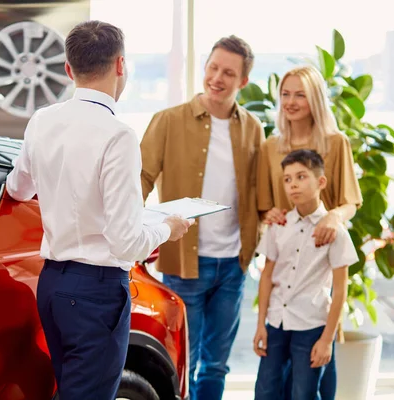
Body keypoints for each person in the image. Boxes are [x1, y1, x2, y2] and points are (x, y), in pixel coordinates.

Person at [5, 20, 193, 400]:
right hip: (96, 291)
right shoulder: (117, 134)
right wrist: (167, 228)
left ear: (68, 70)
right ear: (121, 65)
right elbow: (125, 241)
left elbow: (17, 188)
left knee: (71, 389)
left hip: (53, 285)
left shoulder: (42, 120)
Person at [140, 35, 264, 400]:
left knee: (216, 365)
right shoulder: (168, 121)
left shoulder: (253, 129)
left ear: (243, 81)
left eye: (228, 72)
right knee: (183, 360)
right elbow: (140, 181)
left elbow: (260, 191)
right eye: (213, 67)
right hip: (184, 263)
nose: (217, 78)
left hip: (233, 265)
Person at [256, 64, 363, 399]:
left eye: (299, 94)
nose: (290, 101)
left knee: (316, 363)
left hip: (323, 251)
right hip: (286, 251)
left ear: (315, 98)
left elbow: (350, 201)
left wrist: (333, 218)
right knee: (277, 374)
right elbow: (264, 204)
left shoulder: (335, 142)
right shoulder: (270, 146)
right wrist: (268, 213)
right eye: (285, 94)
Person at [253, 149, 358, 399]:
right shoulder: (279, 227)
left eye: (301, 177)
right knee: (266, 390)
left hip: (311, 326)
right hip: (276, 322)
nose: (293, 185)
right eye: (287, 179)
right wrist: (261, 326)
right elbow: (266, 277)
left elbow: (341, 290)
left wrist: (326, 340)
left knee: (304, 393)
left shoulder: (336, 232)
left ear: (320, 182)